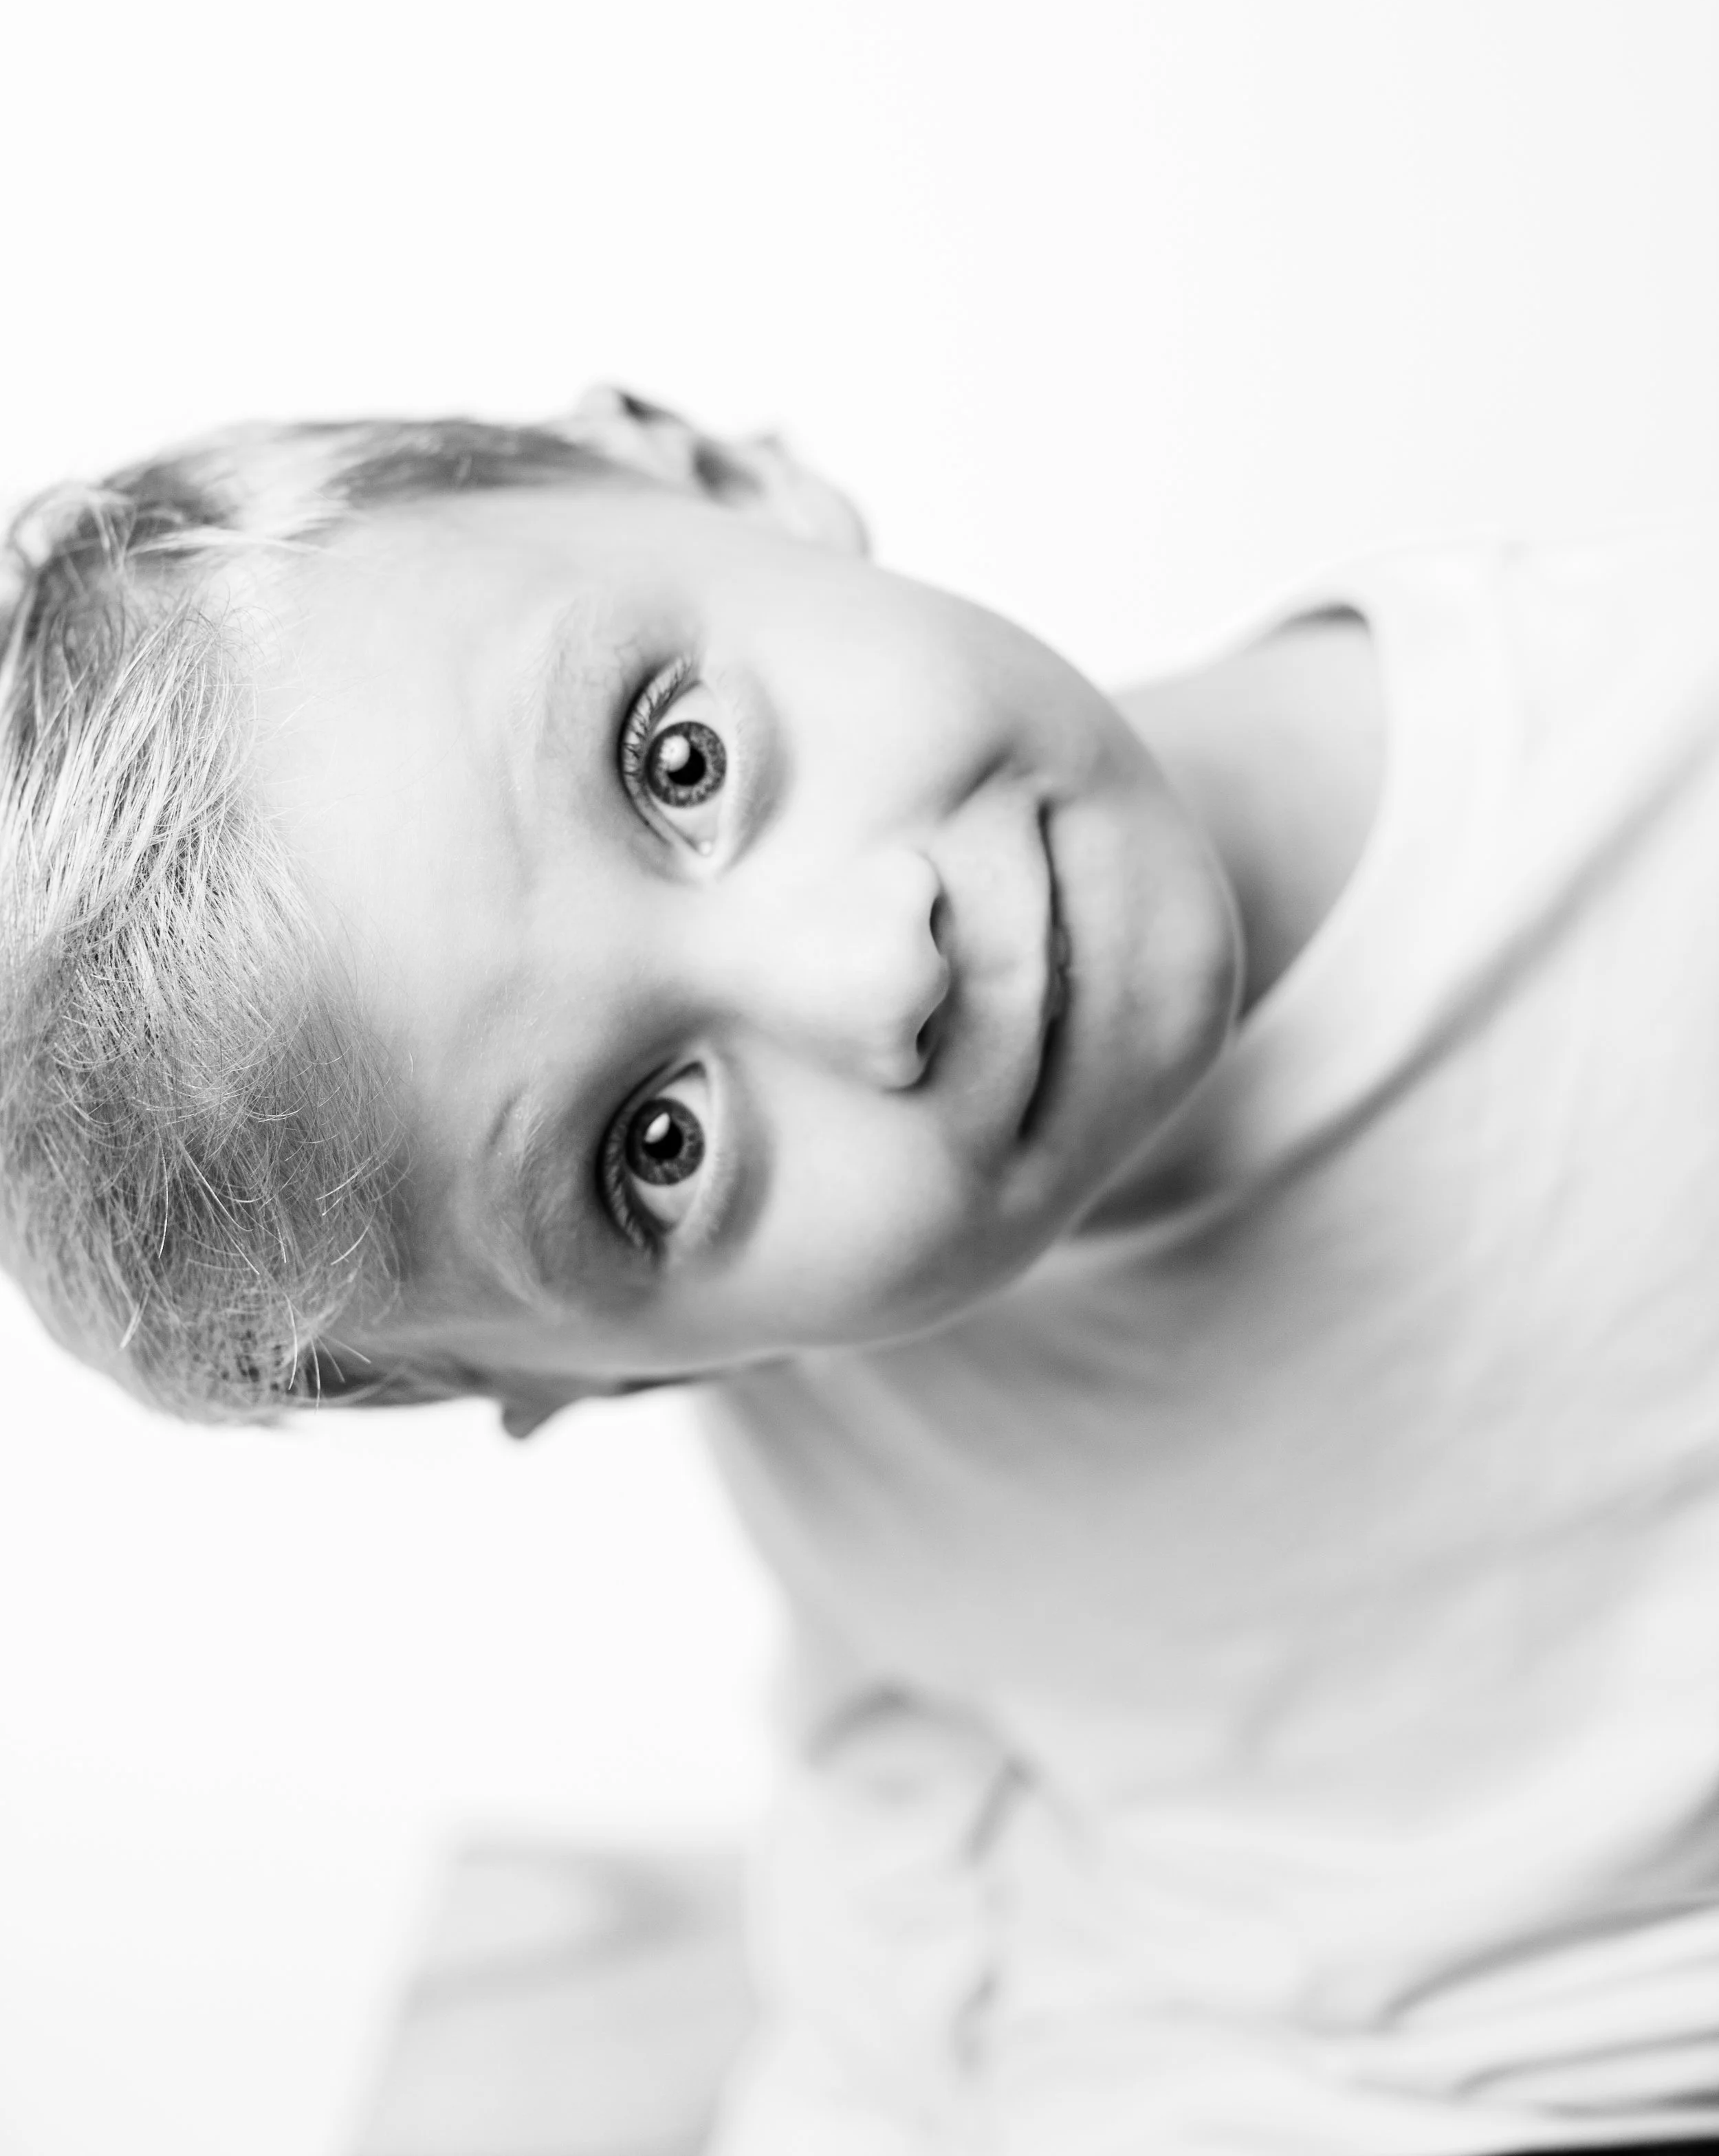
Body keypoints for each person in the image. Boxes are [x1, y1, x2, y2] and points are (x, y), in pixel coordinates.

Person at [2, 390, 1716, 2155]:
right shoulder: (843, 1397)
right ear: (622, 1376)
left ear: (714, 475)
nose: (870, 977)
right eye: (656, 1147)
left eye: (679, 764)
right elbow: (906, 1818)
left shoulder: (1662, 781)